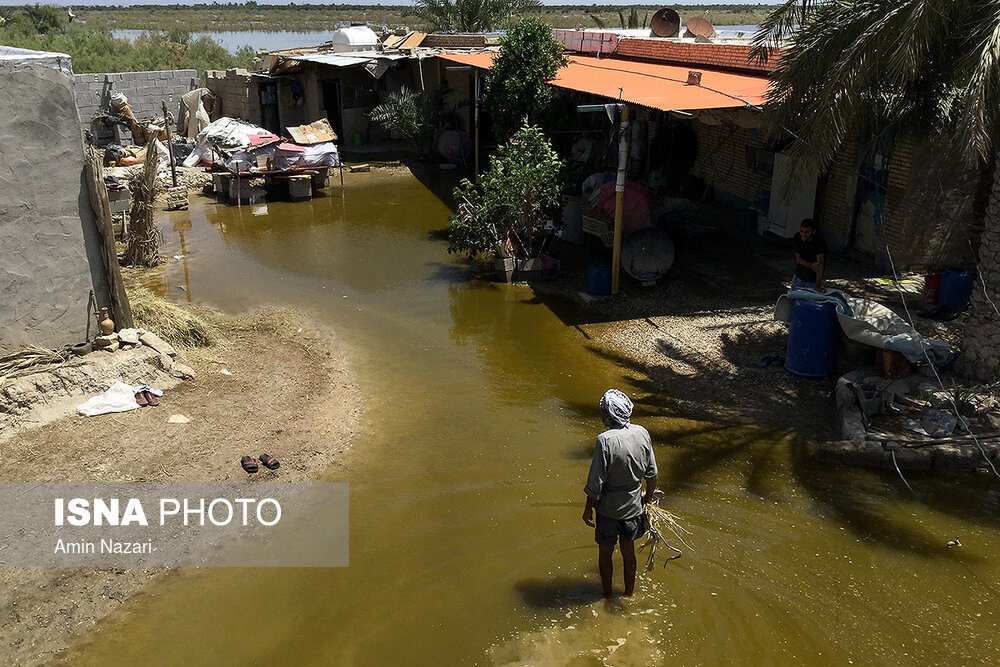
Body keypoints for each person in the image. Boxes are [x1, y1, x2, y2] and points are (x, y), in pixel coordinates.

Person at [582, 389, 658, 598]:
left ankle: (606, 596)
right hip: (634, 507)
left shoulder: (604, 440)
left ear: (610, 414)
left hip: (608, 510)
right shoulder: (642, 433)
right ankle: (629, 594)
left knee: (605, 553)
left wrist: (588, 508)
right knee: (628, 552)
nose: (601, 415)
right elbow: (652, 474)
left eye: (603, 411)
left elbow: (595, 483)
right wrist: (647, 500)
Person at [792, 218, 826, 291]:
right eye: (802, 231)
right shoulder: (798, 237)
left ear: (813, 231)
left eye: (807, 232)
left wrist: (818, 284)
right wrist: (811, 265)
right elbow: (798, 259)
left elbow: (820, 265)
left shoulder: (818, 241)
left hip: (812, 280)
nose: (803, 234)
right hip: (798, 276)